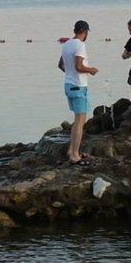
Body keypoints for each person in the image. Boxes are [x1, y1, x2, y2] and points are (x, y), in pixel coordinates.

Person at [58, 20, 99, 165]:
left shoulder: (67, 44)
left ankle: (71, 149)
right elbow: (79, 66)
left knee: (77, 120)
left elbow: (60, 65)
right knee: (80, 122)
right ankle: (74, 155)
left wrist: (70, 73)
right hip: (78, 86)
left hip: (68, 85)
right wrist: (91, 70)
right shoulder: (80, 45)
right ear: (85, 32)